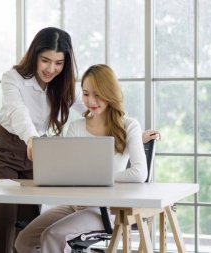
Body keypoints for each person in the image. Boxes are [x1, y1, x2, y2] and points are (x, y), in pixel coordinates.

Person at [0, 27, 159, 253]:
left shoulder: (63, 85)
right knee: (3, 219)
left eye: (58, 62)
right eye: (45, 60)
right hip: (6, 147)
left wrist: (129, 132)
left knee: (27, 219)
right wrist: (32, 140)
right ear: (34, 55)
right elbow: (19, 113)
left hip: (37, 149)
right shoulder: (13, 78)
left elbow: (96, 103)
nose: (51, 69)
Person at [14, 64, 156, 253]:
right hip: (74, 205)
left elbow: (139, 173)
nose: (91, 101)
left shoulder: (129, 126)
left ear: (110, 93)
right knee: (24, 240)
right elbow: (69, 171)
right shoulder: (76, 127)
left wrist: (100, 178)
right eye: (86, 94)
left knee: (52, 236)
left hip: (106, 209)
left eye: (97, 94)